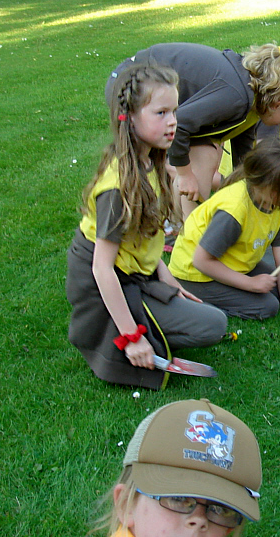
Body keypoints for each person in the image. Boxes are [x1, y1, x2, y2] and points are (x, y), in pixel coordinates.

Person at [66, 62, 228, 390]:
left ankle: (155, 317)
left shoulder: (150, 161)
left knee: (210, 317)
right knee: (213, 325)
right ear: (129, 116)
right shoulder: (117, 189)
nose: (173, 122)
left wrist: (167, 280)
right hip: (103, 284)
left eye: (175, 111)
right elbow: (101, 269)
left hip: (136, 273)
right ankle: (122, 333)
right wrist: (131, 336)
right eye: (161, 113)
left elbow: (144, 243)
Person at [37, 398, 261, 537]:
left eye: (220, 509)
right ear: (126, 505)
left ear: (229, 528)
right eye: (179, 498)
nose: (199, 519)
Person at [107, 43, 280, 217]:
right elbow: (179, 124)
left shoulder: (253, 103)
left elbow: (242, 156)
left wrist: (249, 192)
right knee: (200, 157)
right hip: (132, 87)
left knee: (206, 153)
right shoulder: (236, 97)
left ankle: (184, 226)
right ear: (278, 104)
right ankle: (187, 231)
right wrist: (185, 173)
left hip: (160, 101)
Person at [169, 139, 280, 320]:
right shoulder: (234, 211)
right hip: (195, 273)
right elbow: (201, 261)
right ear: (261, 183)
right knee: (267, 306)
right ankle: (198, 302)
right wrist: (250, 284)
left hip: (232, 262)